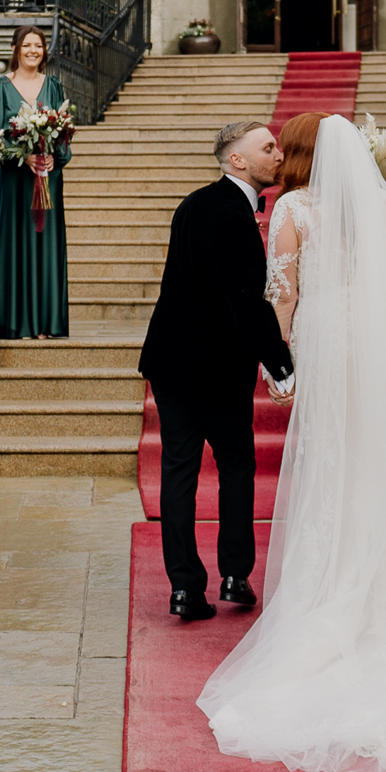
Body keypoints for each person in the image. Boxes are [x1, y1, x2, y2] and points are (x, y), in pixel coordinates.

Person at [198, 113, 386, 772]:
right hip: (379, 350)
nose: (275, 156)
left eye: (281, 147)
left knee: (331, 466)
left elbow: (283, 295)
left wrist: (279, 367)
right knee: (378, 461)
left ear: (298, 156)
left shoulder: (292, 210)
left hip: (330, 342)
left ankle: (332, 587)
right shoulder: (385, 209)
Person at [139, 119, 296, 621]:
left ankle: (185, 588)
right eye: (267, 148)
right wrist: (280, 362)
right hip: (214, 366)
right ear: (238, 161)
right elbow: (245, 301)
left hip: (169, 359)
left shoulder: (193, 203)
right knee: (235, 467)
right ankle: (235, 575)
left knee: (180, 471)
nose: (278, 154)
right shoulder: (234, 214)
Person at [0, 25, 70, 339]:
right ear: (16, 49)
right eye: (27, 45)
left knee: (47, 246)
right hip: (15, 180)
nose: (33, 50)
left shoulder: (54, 85)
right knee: (16, 244)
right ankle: (16, 322)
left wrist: (53, 158)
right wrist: (23, 156)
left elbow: (63, 135)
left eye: (38, 45)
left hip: (48, 180)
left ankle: (47, 323)